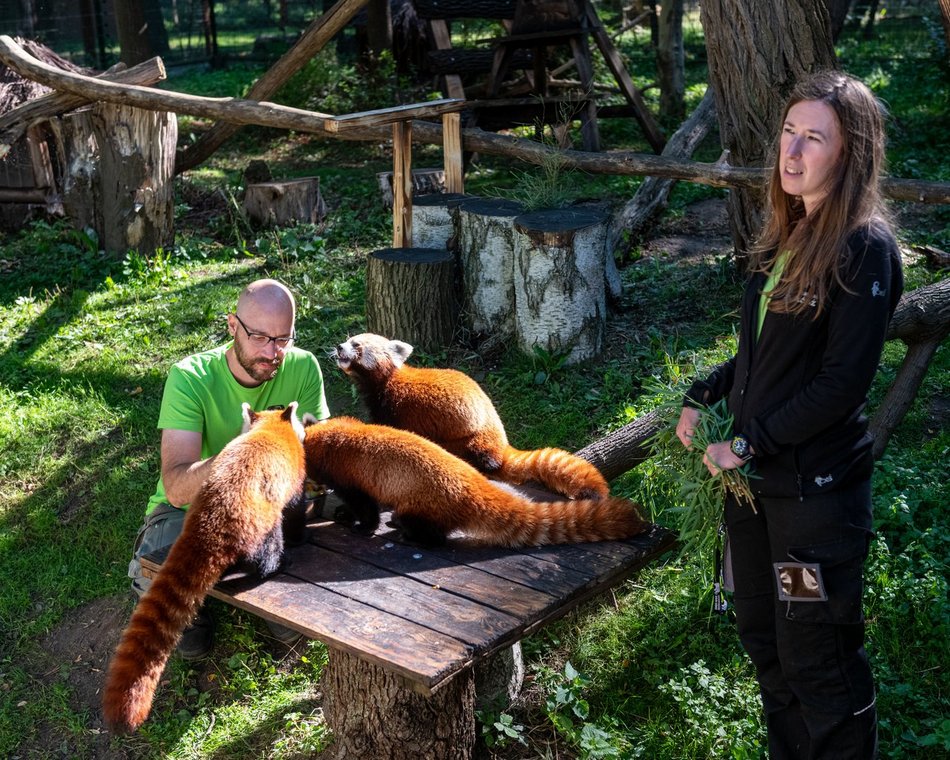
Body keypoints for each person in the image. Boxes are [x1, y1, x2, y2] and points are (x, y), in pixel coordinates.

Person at [675, 71, 903, 759]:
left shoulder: (864, 250)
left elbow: (840, 385)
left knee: (816, 657)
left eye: (815, 138)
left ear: (851, 152)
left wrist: (747, 443)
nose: (793, 151)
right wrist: (705, 394)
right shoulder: (790, 232)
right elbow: (762, 356)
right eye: (789, 132)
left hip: (812, 505)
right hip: (757, 500)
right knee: (765, 642)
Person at [128, 278, 331, 658]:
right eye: (259, 337)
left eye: (283, 339)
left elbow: (320, 460)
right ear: (232, 326)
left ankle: (261, 591)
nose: (273, 352)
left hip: (269, 508)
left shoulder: (303, 367)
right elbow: (176, 486)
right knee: (184, 637)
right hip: (192, 509)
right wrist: (244, 455)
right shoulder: (190, 377)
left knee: (295, 627)